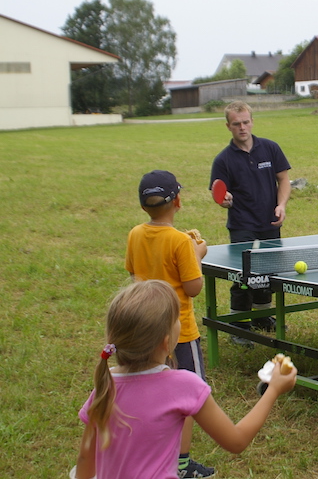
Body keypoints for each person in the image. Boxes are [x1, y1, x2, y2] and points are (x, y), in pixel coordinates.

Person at [74, 280, 296, 479]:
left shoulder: (105, 385)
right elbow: (236, 441)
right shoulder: (184, 385)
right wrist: (273, 389)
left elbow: (85, 460)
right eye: (177, 318)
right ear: (166, 342)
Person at [125, 170, 213, 478]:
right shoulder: (180, 241)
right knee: (187, 398)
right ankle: (182, 465)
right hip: (181, 334)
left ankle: (154, 452)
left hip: (147, 330)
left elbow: (134, 275)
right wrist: (197, 253)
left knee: (154, 391)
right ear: (178, 201)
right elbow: (193, 287)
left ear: (143, 206)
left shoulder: (135, 234)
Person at [210, 101, 291, 347]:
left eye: (246, 122)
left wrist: (281, 204)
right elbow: (219, 194)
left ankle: (262, 316)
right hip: (242, 224)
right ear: (228, 126)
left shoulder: (270, 148)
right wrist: (225, 201)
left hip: (269, 221)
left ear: (252, 121)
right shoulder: (223, 160)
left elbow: (283, 180)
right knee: (243, 276)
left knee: (268, 273)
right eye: (236, 124)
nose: (242, 127)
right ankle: (239, 324)